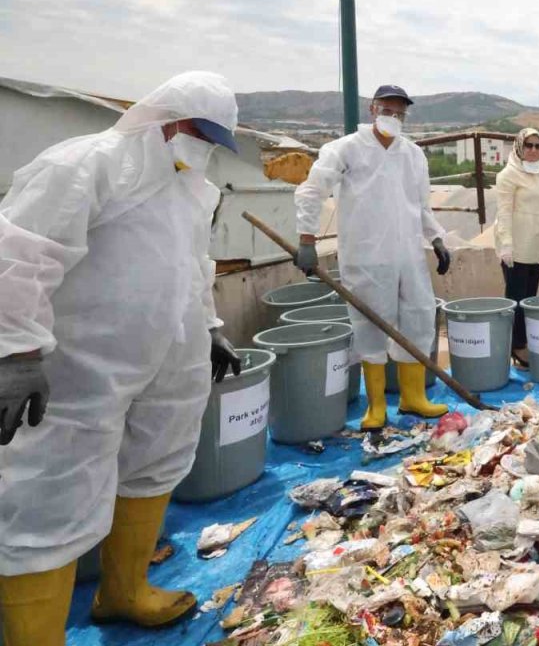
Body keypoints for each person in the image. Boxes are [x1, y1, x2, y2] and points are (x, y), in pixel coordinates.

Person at [0, 71, 244, 643]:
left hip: (168, 362)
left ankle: (124, 590)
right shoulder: (88, 165)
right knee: (48, 494)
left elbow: (193, 268)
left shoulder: (193, 187)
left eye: (211, 139)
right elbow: (19, 256)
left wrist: (209, 327)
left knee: (156, 463)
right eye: (196, 132)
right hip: (80, 370)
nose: (201, 146)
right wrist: (16, 350)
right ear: (166, 117)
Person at [294, 84, 452, 430]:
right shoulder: (346, 150)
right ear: (372, 109)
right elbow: (310, 191)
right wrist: (307, 238)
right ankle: (377, 406)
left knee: (419, 318)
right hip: (367, 257)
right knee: (370, 328)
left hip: (408, 255)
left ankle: (413, 398)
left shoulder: (412, 154)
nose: (393, 117)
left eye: (400, 112)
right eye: (387, 110)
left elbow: (420, 206)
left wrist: (437, 238)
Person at [495, 127, 539, 368]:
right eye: (528, 145)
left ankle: (523, 342)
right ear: (518, 147)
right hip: (516, 247)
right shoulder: (508, 175)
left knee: (529, 298)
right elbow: (503, 212)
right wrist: (506, 245)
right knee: (515, 298)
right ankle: (516, 345)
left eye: (538, 146)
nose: (533, 150)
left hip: (537, 246)